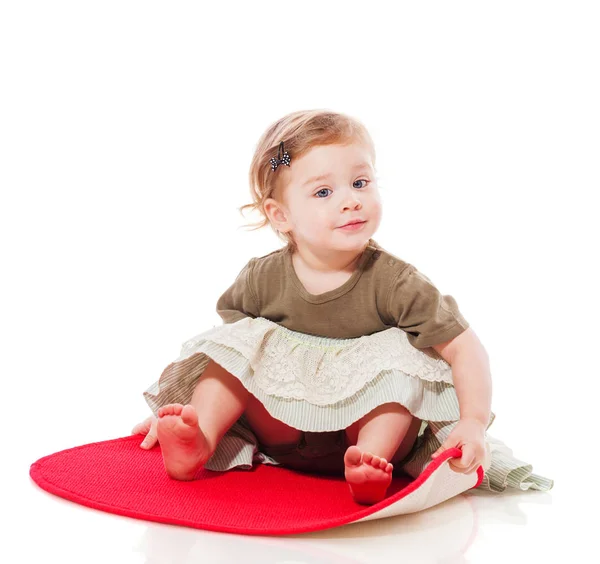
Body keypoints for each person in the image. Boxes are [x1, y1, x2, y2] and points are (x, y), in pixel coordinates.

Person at [132, 109, 553, 505]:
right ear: (281, 216)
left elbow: (465, 348)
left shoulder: (396, 283)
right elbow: (224, 354)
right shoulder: (262, 279)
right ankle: (198, 439)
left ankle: (371, 466)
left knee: (399, 369)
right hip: (282, 430)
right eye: (323, 191)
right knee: (235, 352)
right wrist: (190, 409)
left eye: (360, 183)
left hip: (361, 437)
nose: (350, 201)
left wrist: (473, 422)